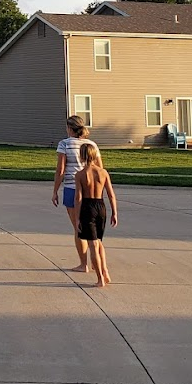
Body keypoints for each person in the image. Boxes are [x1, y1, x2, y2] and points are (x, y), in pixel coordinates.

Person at [52, 115, 102, 272]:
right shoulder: (91, 144)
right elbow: (100, 169)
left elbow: (60, 170)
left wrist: (55, 191)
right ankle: (97, 262)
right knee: (93, 229)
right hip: (91, 190)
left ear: (69, 128)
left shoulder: (64, 144)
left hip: (72, 188)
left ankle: (83, 264)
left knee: (78, 227)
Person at [73, 142, 117, 287]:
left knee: (92, 245)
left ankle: (100, 279)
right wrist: (114, 213)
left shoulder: (80, 175)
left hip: (87, 207)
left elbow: (78, 198)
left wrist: (77, 217)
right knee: (98, 242)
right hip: (101, 206)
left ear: (82, 156)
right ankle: (105, 271)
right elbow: (111, 195)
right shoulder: (103, 172)